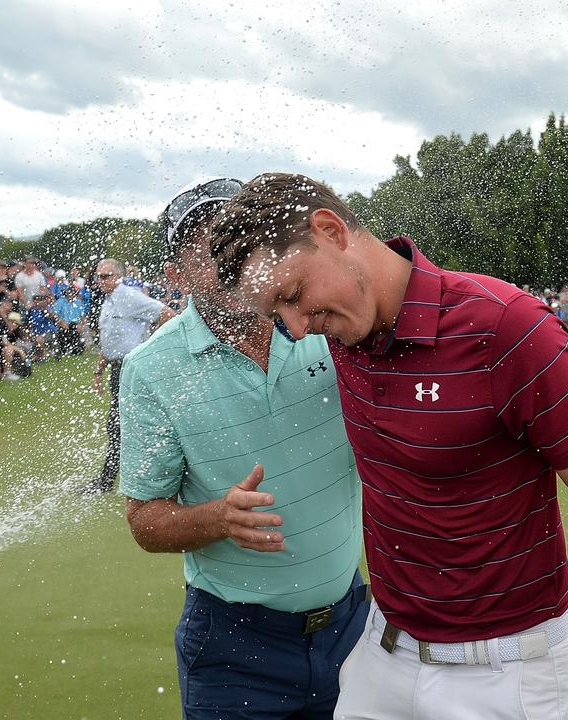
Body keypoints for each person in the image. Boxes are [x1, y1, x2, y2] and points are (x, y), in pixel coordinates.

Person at [211, 173, 568, 720]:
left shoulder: (508, 328)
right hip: (380, 653)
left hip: (505, 677)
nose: (296, 328)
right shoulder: (343, 336)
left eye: (293, 296)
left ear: (330, 230)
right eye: (277, 314)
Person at [121, 179, 367, 718]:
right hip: (235, 649)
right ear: (176, 276)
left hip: (356, 628)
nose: (227, 257)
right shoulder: (153, 368)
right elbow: (144, 520)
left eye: (239, 238)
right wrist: (219, 518)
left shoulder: (323, 323)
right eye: (206, 249)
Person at [89, 258, 176, 494]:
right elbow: (111, 340)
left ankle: (107, 481)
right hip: (117, 368)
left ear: (118, 276)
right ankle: (117, 477)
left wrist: (152, 348)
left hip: (131, 368)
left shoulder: (129, 296)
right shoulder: (109, 301)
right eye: (98, 276)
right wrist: (99, 369)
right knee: (124, 424)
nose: (100, 280)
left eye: (105, 276)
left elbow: (167, 314)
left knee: (118, 424)